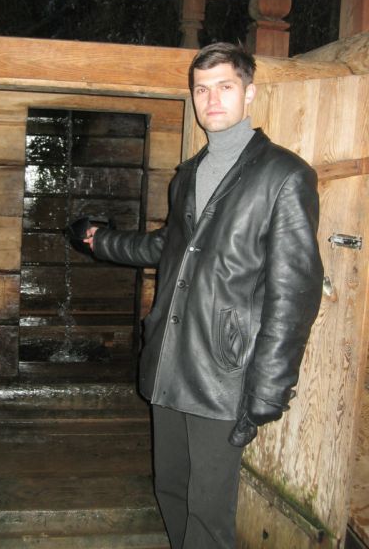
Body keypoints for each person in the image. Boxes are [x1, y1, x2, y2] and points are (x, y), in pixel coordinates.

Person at [79, 42, 323, 549]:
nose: (212, 99)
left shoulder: (284, 175)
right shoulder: (188, 174)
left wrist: (268, 390)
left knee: (208, 515)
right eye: (202, 89)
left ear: (249, 93)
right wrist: (100, 241)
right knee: (170, 489)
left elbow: (294, 294)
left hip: (223, 373)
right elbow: (167, 246)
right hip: (170, 360)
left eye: (225, 86)